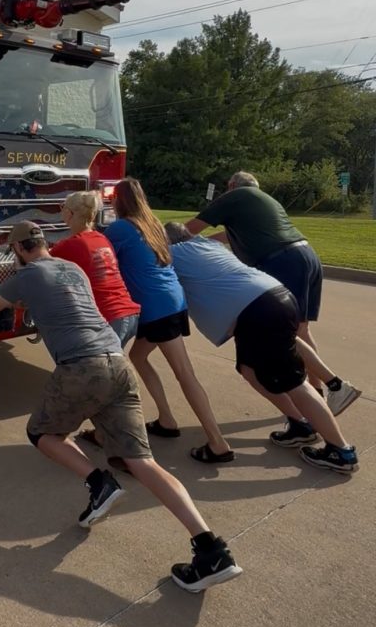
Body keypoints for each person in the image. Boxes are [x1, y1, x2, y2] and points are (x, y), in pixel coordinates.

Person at [0, 221, 243, 593]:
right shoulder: (72, 269)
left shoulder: (28, 275)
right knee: (143, 462)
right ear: (44, 242)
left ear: (19, 249)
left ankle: (99, 483)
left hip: (81, 366)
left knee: (42, 433)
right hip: (117, 362)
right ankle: (211, 548)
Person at [165, 223, 359, 474]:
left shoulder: (174, 254)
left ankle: (341, 451)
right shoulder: (206, 245)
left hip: (257, 311)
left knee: (293, 383)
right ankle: (301, 424)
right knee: (250, 371)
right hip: (273, 297)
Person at [184, 171, 361, 417]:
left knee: (284, 332)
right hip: (306, 256)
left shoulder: (234, 196)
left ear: (232, 185)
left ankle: (333, 386)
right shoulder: (263, 201)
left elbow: (189, 229)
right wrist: (207, 243)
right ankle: (320, 393)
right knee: (300, 329)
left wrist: (164, 242)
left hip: (281, 262)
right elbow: (229, 236)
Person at [103, 178, 233, 464]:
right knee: (138, 357)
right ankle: (166, 420)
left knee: (184, 373)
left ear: (119, 201)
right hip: (172, 300)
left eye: (113, 198)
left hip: (156, 306)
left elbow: (101, 254)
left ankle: (218, 443)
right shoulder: (153, 225)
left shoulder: (121, 228)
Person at [50, 190, 140, 349]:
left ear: (69, 214)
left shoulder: (72, 244)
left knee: (94, 362)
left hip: (110, 317)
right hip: (128, 313)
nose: (61, 211)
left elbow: (40, 262)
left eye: (62, 207)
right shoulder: (101, 238)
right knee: (112, 362)